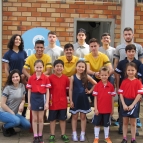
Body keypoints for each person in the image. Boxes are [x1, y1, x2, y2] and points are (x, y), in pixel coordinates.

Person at [115, 44, 142, 135]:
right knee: (122, 108)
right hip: (124, 88)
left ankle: (135, 128)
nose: (131, 53)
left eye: (133, 51)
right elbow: (117, 75)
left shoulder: (138, 63)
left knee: (136, 109)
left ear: (135, 52)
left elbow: (140, 78)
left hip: (135, 90)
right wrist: (118, 87)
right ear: (126, 52)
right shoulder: (122, 62)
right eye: (129, 51)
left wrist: (140, 92)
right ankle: (121, 127)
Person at [69, 60, 97, 142]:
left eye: (82, 67)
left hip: (84, 99)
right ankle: (74, 133)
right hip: (75, 99)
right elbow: (70, 89)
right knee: (74, 116)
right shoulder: (72, 77)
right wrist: (71, 101)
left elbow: (95, 83)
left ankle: (82, 133)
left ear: (85, 68)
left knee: (83, 117)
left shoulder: (87, 76)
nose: (81, 68)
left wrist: (90, 91)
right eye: (79, 66)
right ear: (76, 67)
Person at [0, 69, 30, 137]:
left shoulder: (22, 86)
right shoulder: (7, 88)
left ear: (19, 77)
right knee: (16, 121)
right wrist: (11, 112)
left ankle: (10, 126)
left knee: (27, 125)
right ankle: (5, 127)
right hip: (3, 113)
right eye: (13, 77)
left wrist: (22, 104)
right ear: (11, 78)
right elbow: (2, 104)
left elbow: (23, 99)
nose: (15, 78)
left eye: (17, 76)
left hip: (14, 113)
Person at [26, 60, 51, 143]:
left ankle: (40, 135)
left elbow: (47, 91)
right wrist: (29, 103)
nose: (39, 69)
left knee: (40, 119)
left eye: (40, 67)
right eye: (37, 67)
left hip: (41, 98)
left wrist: (47, 102)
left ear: (43, 68)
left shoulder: (45, 78)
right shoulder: (31, 78)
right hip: (33, 98)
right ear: (34, 67)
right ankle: (35, 136)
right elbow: (29, 91)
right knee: (34, 119)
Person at [118, 62, 143, 143]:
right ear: (126, 71)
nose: (130, 72)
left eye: (132, 70)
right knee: (125, 122)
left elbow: (139, 94)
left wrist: (132, 104)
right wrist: (124, 104)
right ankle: (124, 138)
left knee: (133, 122)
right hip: (125, 102)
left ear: (136, 71)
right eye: (129, 70)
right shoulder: (124, 81)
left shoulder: (138, 82)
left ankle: (133, 139)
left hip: (134, 103)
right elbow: (121, 94)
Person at [84, 38, 113, 103]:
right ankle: (93, 102)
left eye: (95, 46)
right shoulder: (87, 56)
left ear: (98, 46)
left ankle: (108, 99)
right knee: (88, 78)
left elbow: (111, 69)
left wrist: (104, 75)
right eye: (91, 46)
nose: (93, 48)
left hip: (103, 75)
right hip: (93, 75)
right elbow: (87, 70)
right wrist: (95, 73)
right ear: (89, 47)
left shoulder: (103, 56)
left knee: (111, 79)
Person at [92, 67, 116, 143]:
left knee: (106, 124)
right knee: (97, 124)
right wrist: (96, 108)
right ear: (99, 76)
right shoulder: (97, 86)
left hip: (108, 110)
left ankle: (106, 137)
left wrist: (112, 109)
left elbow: (112, 99)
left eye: (105, 75)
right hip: (99, 110)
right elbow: (95, 98)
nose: (104, 76)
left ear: (108, 75)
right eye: (102, 75)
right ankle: (96, 138)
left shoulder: (111, 86)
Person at [48, 59, 70, 143]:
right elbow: (48, 91)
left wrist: (68, 99)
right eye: (57, 66)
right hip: (52, 103)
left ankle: (63, 134)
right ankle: (52, 135)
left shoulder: (66, 79)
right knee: (52, 119)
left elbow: (68, 91)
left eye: (61, 66)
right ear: (54, 68)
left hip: (63, 103)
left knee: (62, 119)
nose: (59, 68)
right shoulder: (50, 78)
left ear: (63, 68)